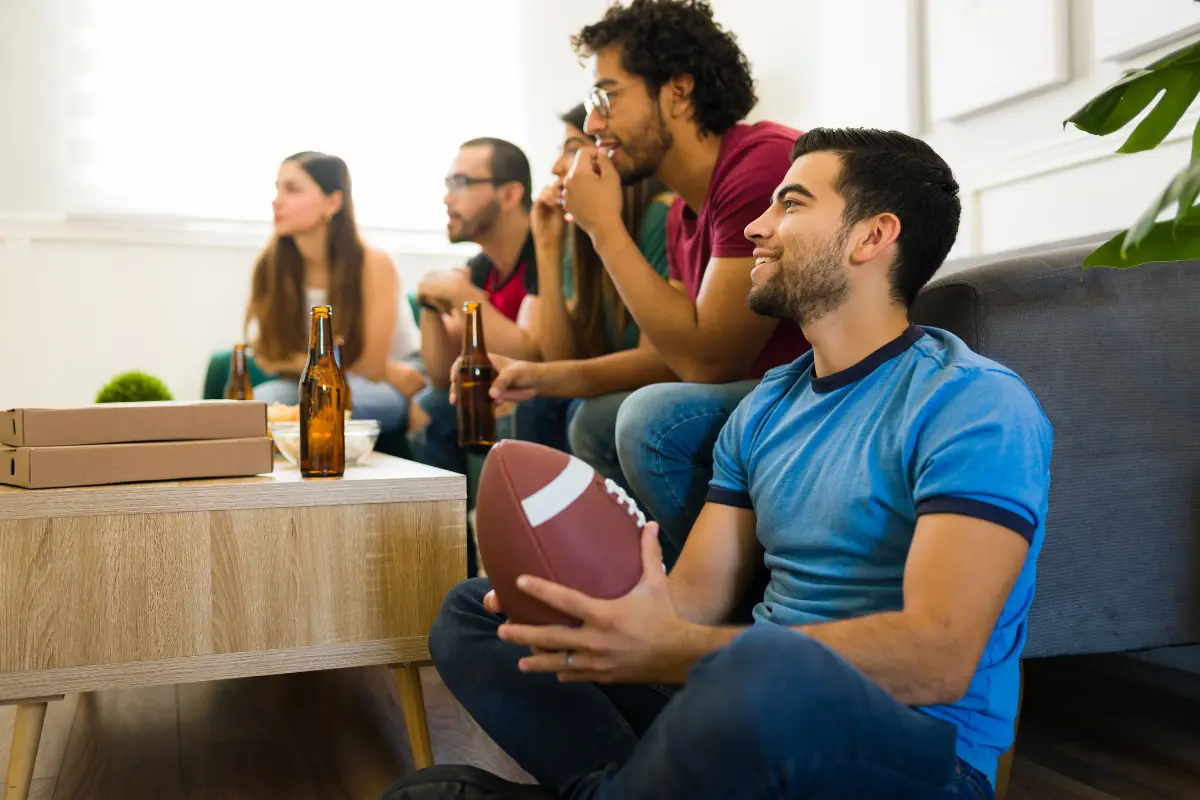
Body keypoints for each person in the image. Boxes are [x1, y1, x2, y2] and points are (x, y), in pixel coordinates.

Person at [382, 128, 1053, 800]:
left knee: (750, 676)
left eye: (790, 205)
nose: (757, 228)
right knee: (479, 613)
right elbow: (696, 600)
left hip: (912, 755)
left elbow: (937, 658)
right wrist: (598, 617)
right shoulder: (767, 406)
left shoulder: (973, 404)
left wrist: (674, 651)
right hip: (743, 712)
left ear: (872, 237)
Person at [552, 0, 813, 560]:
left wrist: (604, 228)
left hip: (816, 388)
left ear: (678, 90)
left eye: (608, 96)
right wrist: (544, 377)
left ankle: (719, 603)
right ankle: (646, 577)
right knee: (595, 420)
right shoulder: (681, 214)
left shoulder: (762, 169)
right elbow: (668, 350)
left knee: (650, 418)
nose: (593, 125)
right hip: (752, 391)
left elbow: (707, 363)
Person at [468, 103, 677, 494]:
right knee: (536, 404)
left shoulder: (658, 218)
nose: (556, 168)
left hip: (660, 386)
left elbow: (661, 362)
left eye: (572, 149)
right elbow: (560, 354)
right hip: (612, 384)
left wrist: (541, 376)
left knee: (582, 411)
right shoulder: (576, 236)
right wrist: (546, 245)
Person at [408, 137, 563, 474]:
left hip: (547, 392)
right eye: (448, 184)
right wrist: (430, 308)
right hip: (504, 391)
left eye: (461, 183)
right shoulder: (482, 267)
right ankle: (446, 527)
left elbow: (532, 355)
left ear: (509, 194)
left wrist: (462, 294)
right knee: (431, 407)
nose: (447, 198)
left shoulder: (546, 250)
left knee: (522, 406)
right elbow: (438, 375)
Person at [246, 151, 424, 433]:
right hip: (314, 381)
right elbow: (267, 356)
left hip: (383, 382)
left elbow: (374, 366)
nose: (276, 201)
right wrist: (311, 368)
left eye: (292, 189)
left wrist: (295, 361)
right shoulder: (269, 266)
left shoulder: (373, 264)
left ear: (333, 202)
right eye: (277, 189)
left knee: (322, 403)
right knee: (256, 406)